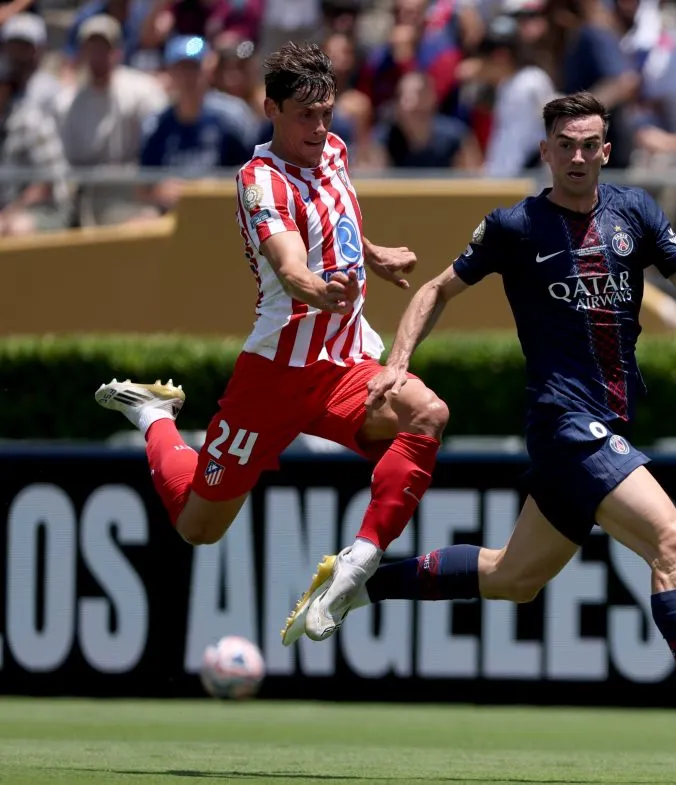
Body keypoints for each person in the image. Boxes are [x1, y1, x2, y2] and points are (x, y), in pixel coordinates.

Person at [296, 90, 676, 759]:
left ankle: (365, 581)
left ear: (606, 150)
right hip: (565, 424)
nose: (575, 156)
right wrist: (396, 361)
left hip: (602, 423)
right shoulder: (516, 226)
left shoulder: (636, 212)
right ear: (544, 151)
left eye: (588, 144)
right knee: (674, 541)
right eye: (563, 145)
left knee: (514, 577)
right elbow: (433, 289)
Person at [92, 42, 449, 648]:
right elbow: (289, 268)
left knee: (428, 413)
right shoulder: (258, 183)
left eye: (326, 113)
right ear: (270, 109)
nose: (318, 127)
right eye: (304, 115)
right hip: (274, 375)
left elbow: (335, 218)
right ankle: (154, 416)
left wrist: (375, 254)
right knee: (198, 526)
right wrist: (320, 291)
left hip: (342, 366)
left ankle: (357, 563)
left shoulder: (334, 151)